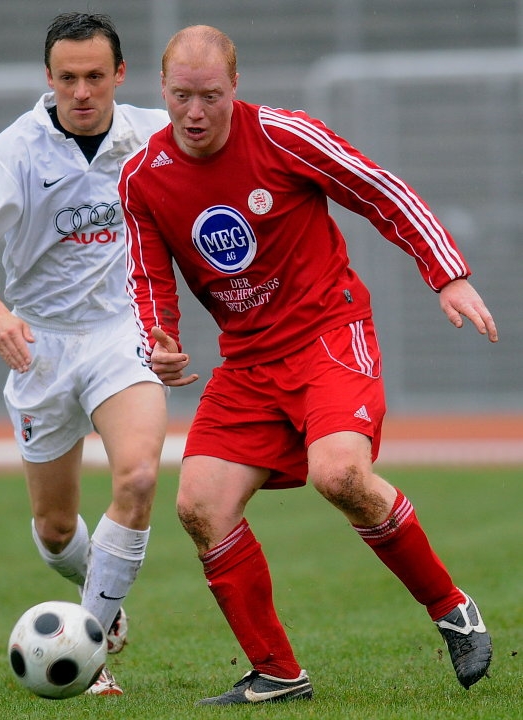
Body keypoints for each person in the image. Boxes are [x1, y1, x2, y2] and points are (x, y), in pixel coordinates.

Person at [119, 24, 498, 705]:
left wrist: (446, 274)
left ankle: (450, 608)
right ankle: (276, 673)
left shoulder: (284, 135)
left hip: (328, 335)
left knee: (339, 474)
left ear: (234, 87)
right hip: (247, 365)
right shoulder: (144, 177)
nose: (195, 112)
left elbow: (381, 190)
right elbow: (148, 274)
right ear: (163, 90)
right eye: (181, 96)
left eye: (209, 95)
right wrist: (160, 338)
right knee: (199, 504)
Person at [0, 12, 169, 696]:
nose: (82, 90)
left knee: (135, 478)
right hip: (39, 345)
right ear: (48, 79)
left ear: (119, 75)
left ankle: (89, 650)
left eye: (95, 76)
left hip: (117, 333)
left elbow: (226, 149)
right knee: (55, 525)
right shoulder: (14, 150)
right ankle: (101, 593)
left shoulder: (149, 133)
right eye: (67, 77)